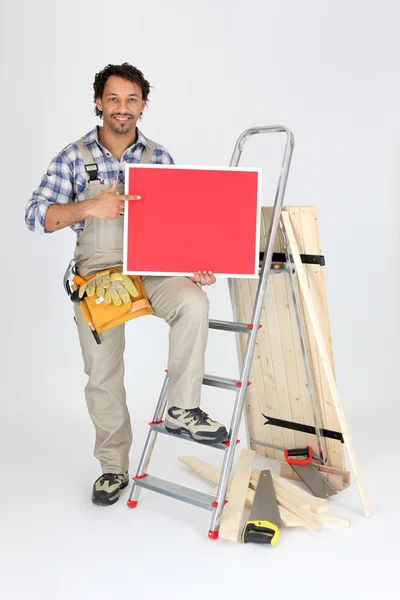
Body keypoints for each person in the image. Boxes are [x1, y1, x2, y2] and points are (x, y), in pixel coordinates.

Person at [25, 62, 228, 507]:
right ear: (98, 103)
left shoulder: (159, 157)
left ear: (143, 105)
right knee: (103, 373)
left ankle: (181, 406)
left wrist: (196, 263)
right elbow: (35, 216)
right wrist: (89, 207)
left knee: (193, 300)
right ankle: (113, 468)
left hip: (153, 268)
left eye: (131, 100)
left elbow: (181, 228)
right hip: (99, 274)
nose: (123, 108)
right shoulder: (73, 157)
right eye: (113, 99)